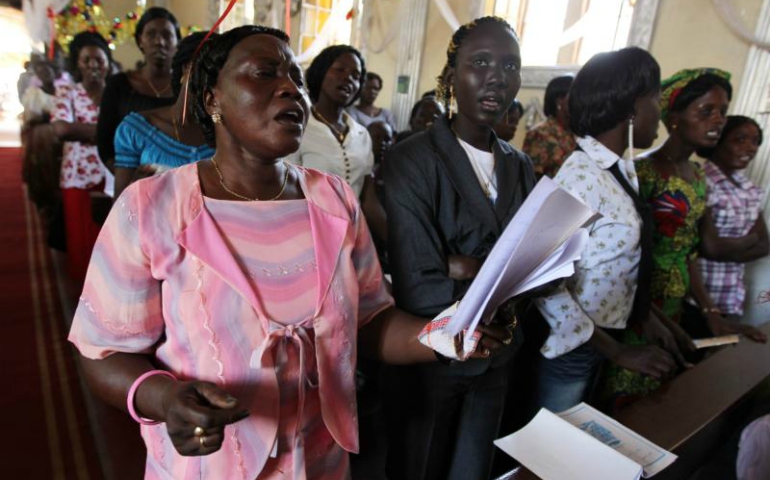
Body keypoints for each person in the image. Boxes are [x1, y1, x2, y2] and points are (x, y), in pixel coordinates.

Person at [68, 26, 512, 480]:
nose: (291, 88)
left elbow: (370, 322)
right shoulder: (153, 208)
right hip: (213, 464)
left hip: (319, 460)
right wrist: (163, 398)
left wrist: (447, 334)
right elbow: (101, 352)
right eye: (264, 73)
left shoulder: (334, 201)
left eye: (297, 78)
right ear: (212, 100)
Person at [383, 16, 536, 480]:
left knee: (473, 469)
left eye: (510, 66)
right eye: (481, 63)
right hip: (433, 357)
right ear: (452, 78)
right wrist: (492, 272)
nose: (497, 76)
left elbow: (535, 262)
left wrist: (467, 267)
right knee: (420, 465)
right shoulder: (412, 157)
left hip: (498, 353)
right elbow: (419, 277)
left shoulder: (519, 165)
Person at [532, 47, 688, 414]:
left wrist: (648, 318)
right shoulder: (583, 175)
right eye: (656, 100)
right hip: (574, 350)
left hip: (600, 341)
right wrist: (617, 351)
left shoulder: (616, 171)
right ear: (632, 108)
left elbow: (614, 260)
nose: (660, 113)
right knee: (548, 458)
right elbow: (541, 279)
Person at [604, 68, 767, 408]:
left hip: (676, 303)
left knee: (665, 399)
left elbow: (691, 252)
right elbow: (621, 256)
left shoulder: (696, 177)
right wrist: (645, 313)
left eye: (722, 111)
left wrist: (711, 312)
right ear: (674, 117)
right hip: (639, 304)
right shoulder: (642, 172)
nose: (718, 121)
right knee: (625, 396)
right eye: (706, 111)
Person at [285, 45, 387, 245]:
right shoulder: (299, 128)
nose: (348, 78)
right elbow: (287, 193)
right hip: (306, 237)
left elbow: (367, 199)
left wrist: (399, 243)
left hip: (351, 237)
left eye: (355, 75)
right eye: (340, 70)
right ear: (321, 72)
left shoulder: (361, 134)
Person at [113, 32, 215, 199]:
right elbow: (118, 209)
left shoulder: (226, 131)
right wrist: (135, 191)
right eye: (209, 69)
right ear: (186, 68)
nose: (215, 79)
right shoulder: (136, 129)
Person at [51, 31, 112, 283]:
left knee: (107, 240)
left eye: (99, 59)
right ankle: (82, 295)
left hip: (110, 173)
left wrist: (83, 131)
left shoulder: (114, 93)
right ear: (78, 63)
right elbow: (62, 129)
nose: (93, 65)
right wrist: (107, 131)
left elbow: (127, 128)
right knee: (80, 238)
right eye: (87, 60)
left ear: (107, 62)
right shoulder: (68, 93)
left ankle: (106, 292)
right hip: (77, 176)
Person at [697, 116, 768, 320]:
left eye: (755, 142)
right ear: (718, 140)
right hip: (698, 297)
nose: (750, 148)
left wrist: (723, 250)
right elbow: (710, 247)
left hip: (730, 296)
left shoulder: (751, 189)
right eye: (740, 139)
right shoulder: (701, 180)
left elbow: (765, 245)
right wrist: (750, 240)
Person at [97, 7, 181, 171]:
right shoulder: (119, 85)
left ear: (177, 42)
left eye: (167, 35)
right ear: (140, 40)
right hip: (128, 180)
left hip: (178, 183)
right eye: (151, 34)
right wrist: (130, 181)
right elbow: (104, 143)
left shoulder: (186, 87)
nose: (159, 42)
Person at [523, 74, 576, 178]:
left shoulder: (573, 132)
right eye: (574, 96)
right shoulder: (540, 134)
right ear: (559, 101)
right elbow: (530, 178)